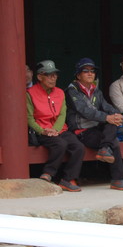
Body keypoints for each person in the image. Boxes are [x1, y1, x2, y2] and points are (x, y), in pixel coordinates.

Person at [65, 58, 123, 191]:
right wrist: (108, 117)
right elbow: (85, 111)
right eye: (85, 71)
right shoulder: (72, 91)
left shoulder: (96, 91)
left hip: (95, 128)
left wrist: (117, 114)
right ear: (78, 75)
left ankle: (107, 155)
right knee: (113, 141)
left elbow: (106, 106)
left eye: (92, 71)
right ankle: (117, 178)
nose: (90, 74)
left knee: (112, 124)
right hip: (81, 132)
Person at [27, 60, 84, 192]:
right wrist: (42, 131)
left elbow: (62, 114)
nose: (53, 78)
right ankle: (48, 173)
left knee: (78, 147)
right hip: (42, 130)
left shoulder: (60, 92)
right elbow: (29, 117)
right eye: (49, 75)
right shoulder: (30, 93)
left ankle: (68, 179)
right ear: (40, 77)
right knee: (60, 144)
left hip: (59, 129)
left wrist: (56, 130)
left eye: (55, 75)